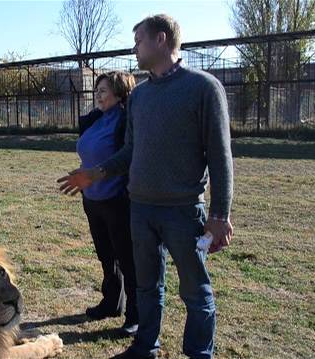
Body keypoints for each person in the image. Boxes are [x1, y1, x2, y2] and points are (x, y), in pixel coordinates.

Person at [58, 14, 233, 359]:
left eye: (139, 40)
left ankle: (199, 353)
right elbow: (129, 152)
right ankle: (145, 347)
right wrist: (94, 174)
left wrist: (219, 214)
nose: (134, 47)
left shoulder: (203, 88)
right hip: (141, 209)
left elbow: (220, 155)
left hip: (183, 211)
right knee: (148, 286)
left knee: (195, 292)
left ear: (161, 39)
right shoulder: (139, 97)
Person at [73, 71, 138, 336]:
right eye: (96, 91)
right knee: (106, 257)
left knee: (127, 259)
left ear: (120, 93)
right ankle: (112, 302)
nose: (98, 95)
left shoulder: (126, 122)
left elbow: (127, 160)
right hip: (92, 199)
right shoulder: (96, 120)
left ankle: (135, 314)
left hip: (117, 201)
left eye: (103, 91)